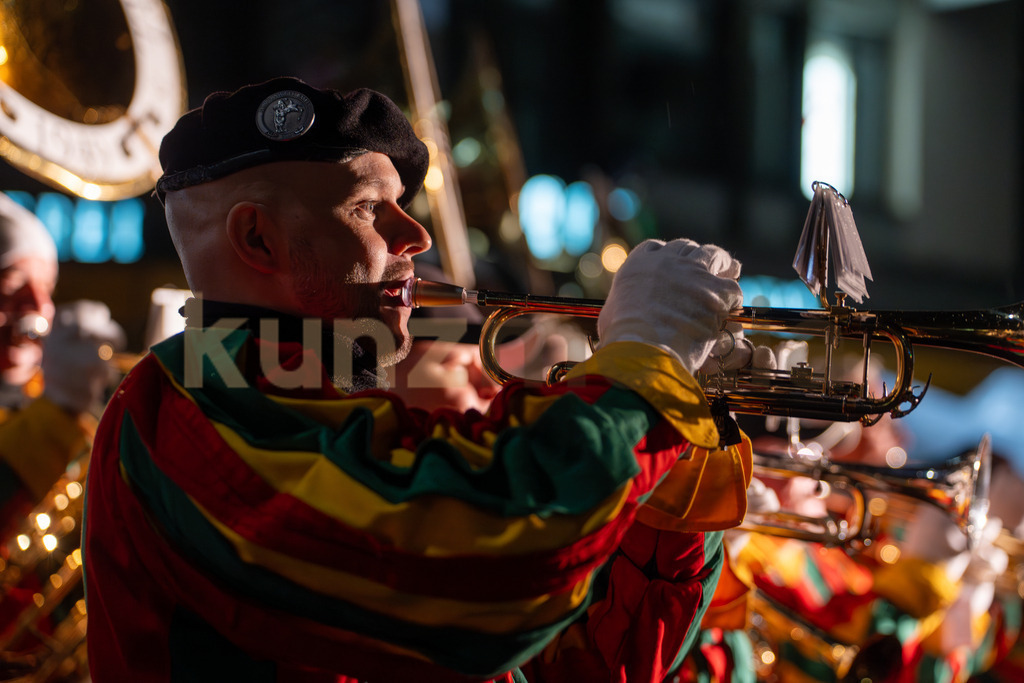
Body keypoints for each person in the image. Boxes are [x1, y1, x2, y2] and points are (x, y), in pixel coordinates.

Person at [81, 76, 770, 682]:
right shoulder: (184, 401)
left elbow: (591, 664)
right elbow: (478, 578)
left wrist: (675, 450)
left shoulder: (348, 405)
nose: (417, 236)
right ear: (258, 239)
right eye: (368, 208)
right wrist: (640, 376)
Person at [0, 193, 124, 540]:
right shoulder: (54, 402)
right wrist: (59, 409)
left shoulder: (42, 391)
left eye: (47, 288)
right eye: (12, 285)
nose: (40, 307)